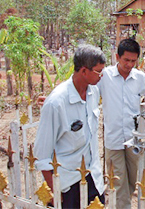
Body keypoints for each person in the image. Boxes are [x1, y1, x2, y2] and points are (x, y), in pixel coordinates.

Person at [34, 45, 106, 208]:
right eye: (98, 71)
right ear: (83, 71)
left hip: (93, 176)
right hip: (68, 183)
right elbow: (42, 155)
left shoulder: (93, 92)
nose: (101, 76)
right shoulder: (56, 103)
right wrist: (54, 192)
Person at [97, 38, 145, 209]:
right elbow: (88, 92)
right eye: (126, 60)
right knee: (118, 179)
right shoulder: (104, 76)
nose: (129, 64)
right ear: (117, 57)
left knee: (131, 178)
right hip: (113, 138)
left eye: (133, 61)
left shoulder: (141, 79)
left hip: (133, 138)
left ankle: (121, 204)